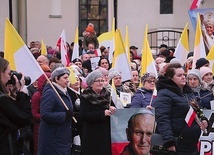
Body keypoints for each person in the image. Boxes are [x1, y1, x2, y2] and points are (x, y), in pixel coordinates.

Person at [154, 63, 209, 155]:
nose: (183, 77)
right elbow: (162, 118)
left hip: (191, 144)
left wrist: (204, 119)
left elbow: (196, 110)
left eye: (184, 74)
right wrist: (169, 142)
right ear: (170, 78)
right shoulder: (164, 94)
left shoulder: (188, 92)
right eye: (179, 75)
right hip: (177, 143)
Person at [0, 57, 33, 154]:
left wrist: (13, 95)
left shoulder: (4, 99)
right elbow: (24, 119)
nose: (10, 78)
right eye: (9, 74)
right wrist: (21, 92)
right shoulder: (2, 101)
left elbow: (12, 117)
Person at [38, 67, 73, 155]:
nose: (68, 80)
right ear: (57, 79)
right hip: (53, 138)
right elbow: (45, 114)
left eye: (68, 77)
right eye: (65, 78)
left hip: (62, 137)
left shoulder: (63, 92)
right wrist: (64, 115)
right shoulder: (50, 93)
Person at [80, 69, 116, 155]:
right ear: (92, 83)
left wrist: (113, 108)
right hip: (92, 134)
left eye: (102, 80)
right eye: (98, 81)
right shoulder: (86, 96)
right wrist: (102, 114)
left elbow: (114, 107)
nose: (101, 83)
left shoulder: (107, 94)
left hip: (106, 133)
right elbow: (84, 115)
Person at [31, 72, 51, 155]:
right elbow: (35, 114)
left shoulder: (54, 94)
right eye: (49, 80)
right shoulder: (37, 95)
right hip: (39, 127)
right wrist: (48, 116)